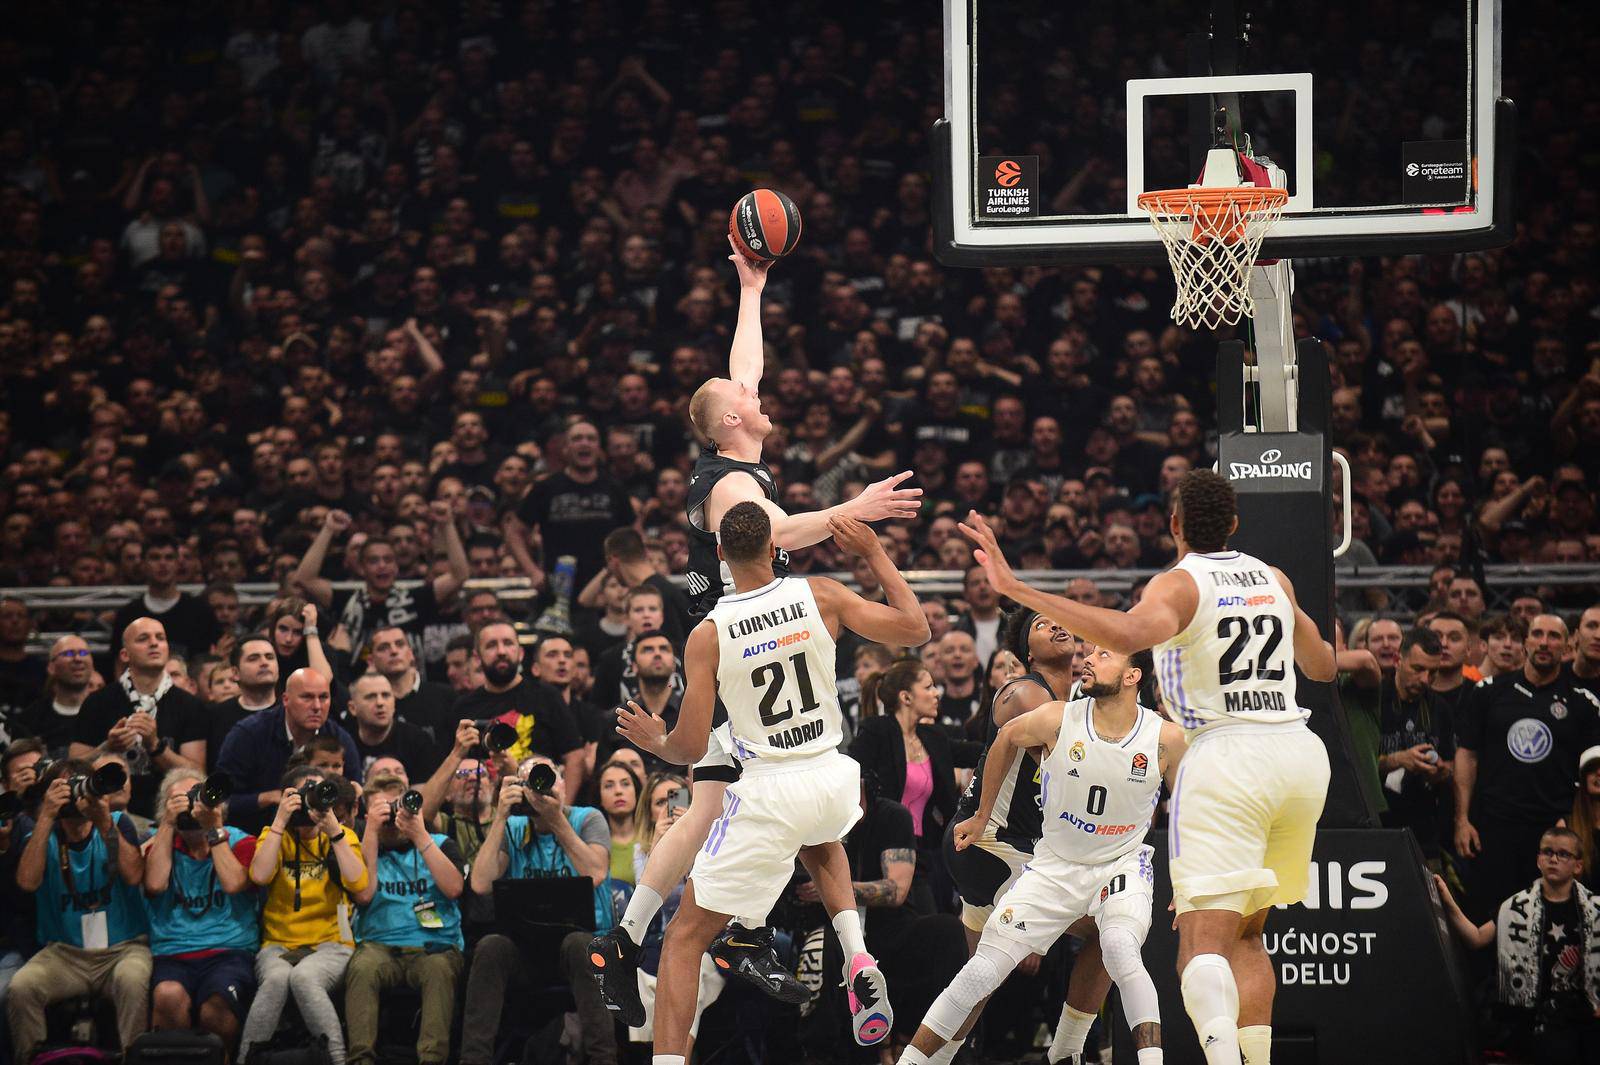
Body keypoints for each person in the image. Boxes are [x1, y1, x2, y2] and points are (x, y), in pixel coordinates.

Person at [959, 468, 1337, 1065]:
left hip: (1227, 754)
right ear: (1235, 525)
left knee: (1199, 945)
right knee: (1248, 934)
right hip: (1299, 754)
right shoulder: (1275, 579)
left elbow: (1129, 632)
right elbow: (1322, 666)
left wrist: (1018, 588)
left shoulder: (1179, 584)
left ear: (1173, 526)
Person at [612, 504, 932, 1059]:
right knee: (819, 839)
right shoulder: (822, 594)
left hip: (767, 787)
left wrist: (654, 741)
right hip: (831, 775)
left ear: (719, 555)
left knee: (685, 938)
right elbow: (915, 627)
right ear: (773, 547)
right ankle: (856, 953)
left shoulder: (707, 634)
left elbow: (689, 747)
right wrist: (875, 553)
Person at [897, 644, 1183, 1065]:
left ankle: (1098, 1054)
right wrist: (980, 816)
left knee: (1120, 948)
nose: (1088, 659)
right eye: (1090, 653)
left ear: (1132, 676)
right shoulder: (1057, 717)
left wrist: (1188, 876)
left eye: (1103, 655)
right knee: (982, 968)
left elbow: (1190, 807)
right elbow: (1004, 740)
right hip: (1053, 865)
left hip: (1121, 864)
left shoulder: (1165, 737)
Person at [461, 754, 615, 1065]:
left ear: (562, 782)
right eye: (528, 781)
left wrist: (556, 819)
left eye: (545, 778)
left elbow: (595, 872)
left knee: (580, 945)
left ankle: (605, 1060)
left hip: (579, 947)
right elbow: (479, 883)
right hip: (525, 950)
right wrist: (500, 816)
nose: (538, 788)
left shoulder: (587, 818)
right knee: (491, 946)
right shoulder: (514, 827)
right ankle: (473, 1060)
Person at [1456, 614, 1600, 922]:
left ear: (1568, 644)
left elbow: (1592, 775)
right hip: (1493, 828)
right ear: (1526, 641)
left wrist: (1578, 827)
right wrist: (1462, 819)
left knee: (1553, 922)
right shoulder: (1488, 692)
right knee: (1491, 916)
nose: (1545, 642)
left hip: (1554, 832)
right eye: (1537, 634)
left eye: (1553, 636)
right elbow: (1466, 756)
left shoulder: (1583, 703)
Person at [7, 758, 150, 1062]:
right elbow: (27, 882)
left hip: (122, 949)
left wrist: (104, 821)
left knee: (133, 979)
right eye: (65, 788)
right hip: (64, 953)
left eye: (80, 787)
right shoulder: (40, 837)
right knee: (21, 987)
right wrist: (45, 816)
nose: (74, 797)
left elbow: (135, 875)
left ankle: (132, 1058)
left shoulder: (117, 823)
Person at [239, 765, 370, 1065]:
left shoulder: (342, 834)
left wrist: (333, 830)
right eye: (302, 794)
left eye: (317, 793)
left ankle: (338, 1059)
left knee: (304, 976)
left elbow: (358, 882)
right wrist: (279, 821)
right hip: (279, 944)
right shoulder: (273, 835)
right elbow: (259, 875)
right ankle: (245, 1058)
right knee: (276, 978)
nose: (309, 801)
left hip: (332, 942)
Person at [1435, 826, 1600, 1064]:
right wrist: (1447, 900)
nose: (1553, 858)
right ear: (1538, 860)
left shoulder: (1595, 912)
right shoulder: (1516, 909)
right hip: (1535, 1021)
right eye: (1547, 852)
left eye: (1563, 854)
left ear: (1578, 865)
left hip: (1584, 1021)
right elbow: (1476, 938)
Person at [346, 773, 466, 1065]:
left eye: (396, 807)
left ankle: (432, 1060)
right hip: (379, 945)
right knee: (362, 968)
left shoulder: (440, 842)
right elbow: (362, 894)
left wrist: (419, 834)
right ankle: (360, 1060)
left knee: (438, 970)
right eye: (383, 810)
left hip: (433, 945)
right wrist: (371, 831)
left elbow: (454, 888)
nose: (392, 817)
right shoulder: (364, 846)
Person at [143, 767, 259, 1055]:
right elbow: (155, 884)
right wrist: (168, 824)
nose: (191, 805)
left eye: (197, 797)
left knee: (217, 1005)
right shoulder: (159, 844)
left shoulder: (242, 841)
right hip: (174, 951)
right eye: (179, 799)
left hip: (229, 950)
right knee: (168, 997)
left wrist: (214, 828)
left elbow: (234, 884)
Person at [850, 660, 983, 907]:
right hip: (882, 851)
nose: (936, 693)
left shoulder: (933, 737)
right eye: (929, 687)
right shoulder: (876, 731)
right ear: (906, 697)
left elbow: (980, 752)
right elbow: (852, 775)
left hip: (926, 854)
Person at [70, 617, 206, 819]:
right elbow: (72, 768)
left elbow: (197, 774)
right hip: (106, 813)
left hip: (172, 815)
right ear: (125, 654)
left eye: (160, 638)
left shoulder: (190, 705)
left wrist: (155, 746)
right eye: (143, 638)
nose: (154, 643)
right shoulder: (97, 702)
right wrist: (107, 747)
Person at [215, 668, 363, 835]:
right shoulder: (248, 734)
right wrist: (267, 798)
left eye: (323, 697)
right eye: (307, 697)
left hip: (322, 839)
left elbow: (356, 795)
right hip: (253, 836)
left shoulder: (340, 739)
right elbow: (221, 799)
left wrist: (353, 796)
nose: (316, 706)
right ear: (285, 699)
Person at [450, 621, 585, 802]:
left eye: (508, 643)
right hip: (486, 812)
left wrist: (562, 809)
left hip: (541, 806)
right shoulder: (463, 708)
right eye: (491, 645)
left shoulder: (546, 695)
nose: (501, 651)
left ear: (521, 653)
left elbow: (574, 756)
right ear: (477, 657)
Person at [1377, 627, 1455, 861]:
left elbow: (1451, 765)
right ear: (1397, 660)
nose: (1425, 680)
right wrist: (1398, 760)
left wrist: (1440, 771)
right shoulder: (1373, 700)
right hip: (1377, 826)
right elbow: (1354, 767)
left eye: (1433, 672)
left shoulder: (1440, 708)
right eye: (1418, 669)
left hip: (1424, 831)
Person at [110, 536, 219, 659]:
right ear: (144, 564)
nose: (163, 563)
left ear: (177, 563)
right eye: (155, 558)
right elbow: (118, 663)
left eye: (169, 557)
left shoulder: (201, 611)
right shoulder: (128, 614)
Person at [367, 624, 459, 757]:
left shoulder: (446, 696)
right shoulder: (369, 705)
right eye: (383, 648)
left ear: (411, 653)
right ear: (371, 661)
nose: (393, 651)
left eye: (399, 644)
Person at [206, 631, 281, 768]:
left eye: (270, 657)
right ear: (235, 673)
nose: (264, 663)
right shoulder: (214, 716)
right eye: (253, 658)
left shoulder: (291, 710)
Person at [345, 672, 439, 781]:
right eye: (370, 697)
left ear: (394, 703)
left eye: (386, 695)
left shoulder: (416, 740)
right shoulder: (344, 742)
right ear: (352, 708)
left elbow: (422, 794)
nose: (380, 703)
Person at [20, 634, 97, 754]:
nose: (78, 659)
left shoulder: (109, 711)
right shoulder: (30, 719)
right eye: (68, 654)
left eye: (83, 653)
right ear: (51, 667)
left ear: (92, 664)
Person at [597, 758, 644, 884]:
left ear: (636, 792)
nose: (618, 791)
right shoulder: (593, 845)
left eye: (625, 784)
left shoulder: (652, 839)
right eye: (609, 786)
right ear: (599, 796)